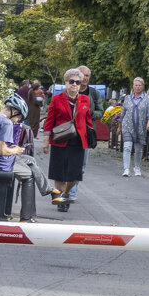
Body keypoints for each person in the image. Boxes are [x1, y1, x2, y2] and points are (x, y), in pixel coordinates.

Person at [0, 95, 62, 220]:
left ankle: (50, 190)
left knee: (29, 160)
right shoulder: (6, 123)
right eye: (19, 118)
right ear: (14, 112)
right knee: (29, 175)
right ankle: (27, 217)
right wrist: (15, 150)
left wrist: (14, 150)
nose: (17, 121)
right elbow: (1, 150)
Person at [42, 68, 95, 212]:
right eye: (71, 81)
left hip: (78, 142)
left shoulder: (84, 99)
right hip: (60, 140)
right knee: (59, 172)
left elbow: (88, 120)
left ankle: (66, 193)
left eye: (77, 82)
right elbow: (49, 121)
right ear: (65, 82)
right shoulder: (57, 99)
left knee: (75, 175)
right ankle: (60, 199)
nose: (74, 84)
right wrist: (46, 140)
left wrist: (91, 136)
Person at [66, 65, 102, 201]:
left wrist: (89, 113)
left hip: (85, 134)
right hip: (68, 133)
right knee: (67, 162)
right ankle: (67, 190)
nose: (85, 78)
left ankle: (72, 191)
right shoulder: (69, 91)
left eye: (87, 76)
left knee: (81, 164)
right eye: (83, 75)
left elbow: (100, 111)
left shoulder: (94, 94)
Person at [120, 77, 149, 177]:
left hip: (140, 127)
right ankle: (126, 169)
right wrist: (119, 125)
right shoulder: (127, 98)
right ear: (133, 86)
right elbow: (123, 112)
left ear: (142, 87)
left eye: (140, 85)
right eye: (136, 85)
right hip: (127, 126)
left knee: (138, 149)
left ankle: (137, 167)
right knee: (127, 147)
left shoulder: (147, 98)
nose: (138, 87)